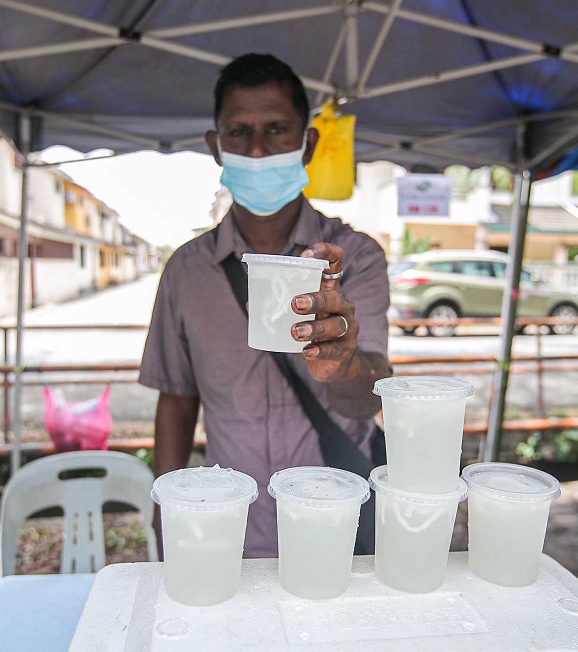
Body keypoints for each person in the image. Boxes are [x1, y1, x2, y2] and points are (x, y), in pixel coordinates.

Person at [138, 53, 392, 558]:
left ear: (308, 142)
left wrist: (342, 362)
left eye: (277, 130)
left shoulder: (355, 258)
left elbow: (370, 400)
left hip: (339, 522)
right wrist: (164, 514)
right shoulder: (187, 272)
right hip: (231, 526)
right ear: (216, 146)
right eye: (238, 133)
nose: (257, 150)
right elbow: (177, 400)